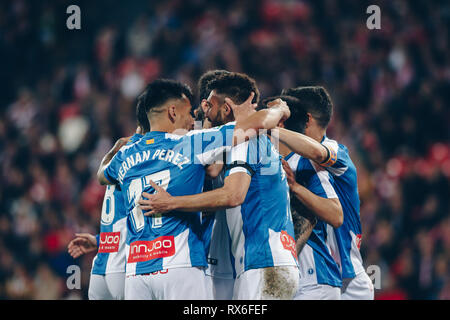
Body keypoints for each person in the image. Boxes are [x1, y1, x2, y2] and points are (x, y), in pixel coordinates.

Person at [97, 78, 289, 300]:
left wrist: (117, 146)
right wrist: (279, 110)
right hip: (181, 265)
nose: (192, 121)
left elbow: (102, 174)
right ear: (172, 112)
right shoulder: (192, 142)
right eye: (189, 113)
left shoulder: (124, 155)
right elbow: (259, 122)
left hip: (135, 274)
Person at [279, 86, 374, 300]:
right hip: (315, 275)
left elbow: (314, 151)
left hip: (349, 279)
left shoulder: (335, 151)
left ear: (307, 119)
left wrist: (269, 127)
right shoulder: (293, 159)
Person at [263, 95, 343, 299]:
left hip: (314, 282)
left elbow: (336, 215)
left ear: (279, 123)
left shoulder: (306, 163)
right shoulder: (264, 163)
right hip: (282, 278)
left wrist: (296, 187)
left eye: (266, 115)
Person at [67, 122, 148, 299]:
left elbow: (119, 220)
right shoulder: (143, 156)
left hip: (102, 266)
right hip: (123, 265)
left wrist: (99, 240)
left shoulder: (119, 154)